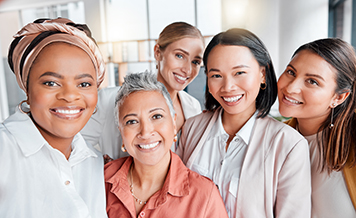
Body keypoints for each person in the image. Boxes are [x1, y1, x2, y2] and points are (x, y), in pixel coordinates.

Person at [176, 28, 311, 218]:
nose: (228, 87)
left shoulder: (289, 145)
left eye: (239, 72)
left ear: (263, 74)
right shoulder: (191, 128)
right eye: (216, 75)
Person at [0, 18, 107, 218]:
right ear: (27, 90)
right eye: (51, 83)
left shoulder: (94, 162)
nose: (70, 95)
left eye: (84, 84)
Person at [104, 72, 228, 218]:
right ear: (121, 131)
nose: (145, 132)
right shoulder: (101, 179)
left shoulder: (204, 196)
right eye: (132, 121)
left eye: (156, 116)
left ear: (174, 124)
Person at [81, 21, 204, 159]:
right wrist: (104, 169)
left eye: (195, 62)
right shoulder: (108, 100)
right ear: (158, 52)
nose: (187, 69)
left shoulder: (193, 107)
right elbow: (76, 146)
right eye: (179, 56)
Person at [278, 38, 356, 218]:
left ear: (339, 97)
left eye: (312, 81)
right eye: (291, 72)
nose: (291, 87)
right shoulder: (274, 138)